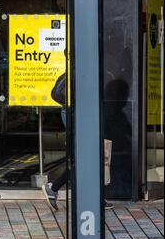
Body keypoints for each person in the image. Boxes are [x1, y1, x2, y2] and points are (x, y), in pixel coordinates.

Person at [42, 72, 114, 211]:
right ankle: (55, 188)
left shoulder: (84, 70)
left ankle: (56, 189)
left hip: (83, 114)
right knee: (82, 158)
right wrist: (74, 104)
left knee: (86, 157)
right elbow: (56, 93)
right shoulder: (73, 72)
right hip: (75, 114)